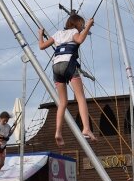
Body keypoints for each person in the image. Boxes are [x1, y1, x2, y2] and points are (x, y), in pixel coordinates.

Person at [38, 11, 96, 147]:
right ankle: (86, 128)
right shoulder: (74, 32)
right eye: (81, 24)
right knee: (80, 97)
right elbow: (80, 39)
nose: (82, 27)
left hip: (56, 67)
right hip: (68, 64)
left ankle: (58, 132)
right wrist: (89, 26)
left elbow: (41, 46)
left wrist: (40, 35)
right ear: (76, 24)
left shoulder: (58, 34)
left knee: (62, 102)